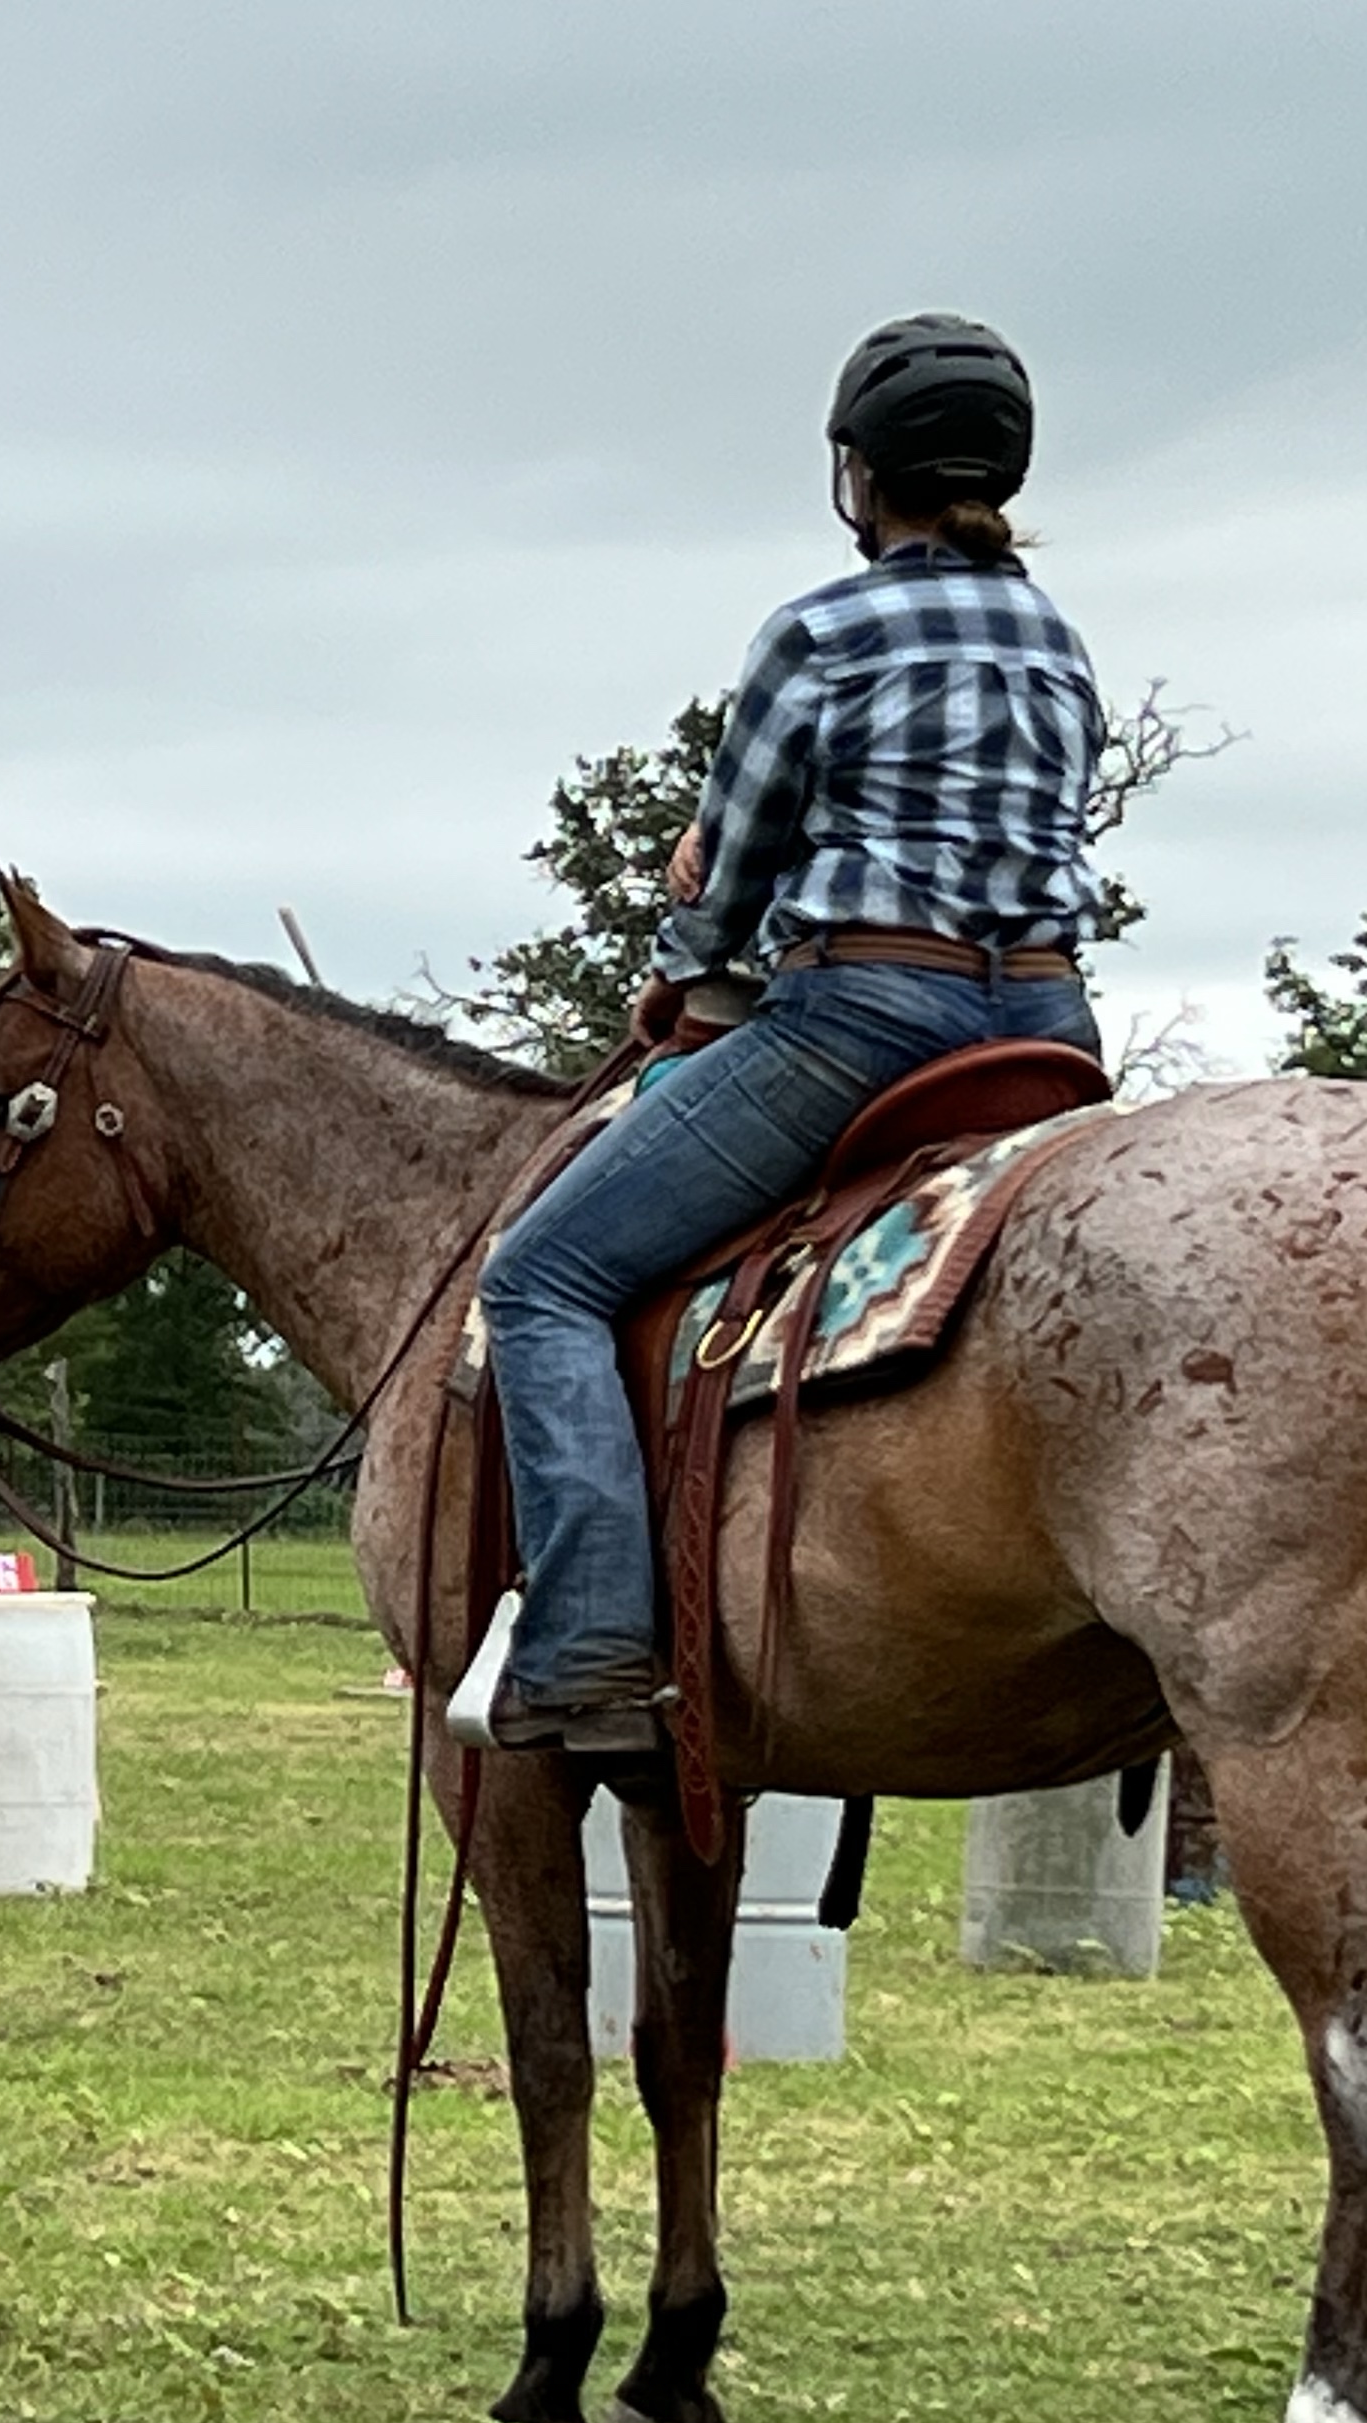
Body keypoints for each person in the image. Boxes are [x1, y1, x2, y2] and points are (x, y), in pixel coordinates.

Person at [474, 313, 1106, 1754]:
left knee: (546, 1277)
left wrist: (684, 963)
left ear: (857, 476)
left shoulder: (821, 633)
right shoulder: (1061, 646)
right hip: (1047, 1028)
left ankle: (590, 1647)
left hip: (862, 1022)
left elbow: (737, 867)